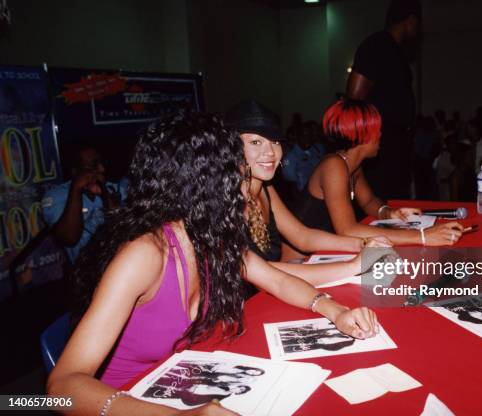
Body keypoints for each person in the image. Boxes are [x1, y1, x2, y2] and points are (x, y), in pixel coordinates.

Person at [47, 112, 380, 416]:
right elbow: (61, 389)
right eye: (230, 173)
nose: (240, 185)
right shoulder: (144, 254)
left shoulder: (211, 236)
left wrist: (334, 311)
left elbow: (277, 280)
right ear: (201, 185)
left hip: (181, 385)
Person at [225, 99, 391, 282]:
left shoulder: (265, 189)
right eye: (256, 142)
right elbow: (262, 271)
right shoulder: (221, 200)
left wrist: (363, 243)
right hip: (240, 304)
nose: (271, 152)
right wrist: (353, 266)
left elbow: (302, 236)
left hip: (276, 289)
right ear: (231, 148)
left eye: (275, 141)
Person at [292, 99, 463, 246]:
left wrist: (390, 213)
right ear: (363, 134)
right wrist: (422, 236)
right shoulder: (334, 166)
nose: (380, 134)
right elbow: (348, 229)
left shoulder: (352, 165)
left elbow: (368, 202)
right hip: (300, 260)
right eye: (377, 129)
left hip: (325, 249)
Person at [346, 0, 422, 200]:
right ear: (411, 21)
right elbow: (353, 98)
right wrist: (368, 137)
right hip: (379, 146)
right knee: (382, 199)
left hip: (395, 144)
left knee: (396, 202)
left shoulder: (397, 52)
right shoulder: (377, 45)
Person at [42, 144, 127, 263]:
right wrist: (76, 189)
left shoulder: (114, 189)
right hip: (86, 271)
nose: (102, 169)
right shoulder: (56, 196)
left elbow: (124, 229)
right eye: (93, 165)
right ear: (76, 171)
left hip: (121, 261)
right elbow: (69, 239)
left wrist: (105, 195)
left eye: (102, 163)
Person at [282, 120, 326, 191]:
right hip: (302, 196)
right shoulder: (291, 157)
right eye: (303, 135)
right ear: (297, 137)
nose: (307, 138)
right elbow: (290, 187)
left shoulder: (316, 150)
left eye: (309, 135)